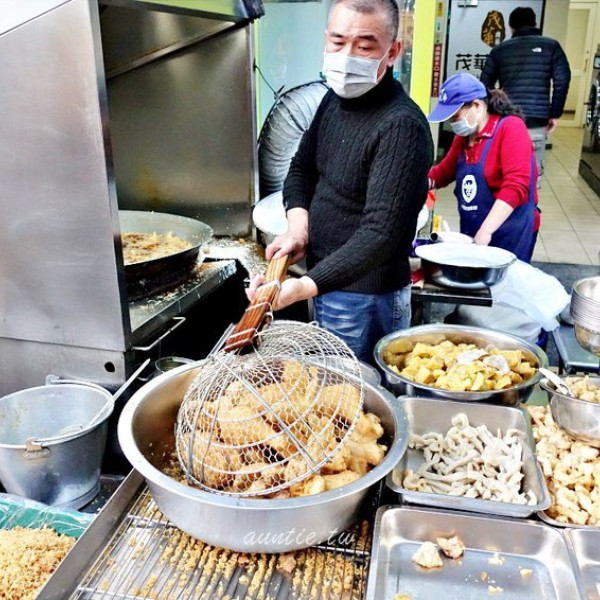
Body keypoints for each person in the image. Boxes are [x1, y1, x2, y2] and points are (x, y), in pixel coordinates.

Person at [248, 0, 433, 363]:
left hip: (367, 299)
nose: (347, 56)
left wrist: (302, 287)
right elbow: (301, 169)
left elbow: (380, 234)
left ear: (392, 51)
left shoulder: (402, 127)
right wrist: (298, 230)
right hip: (327, 282)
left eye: (364, 46)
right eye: (337, 42)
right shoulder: (333, 101)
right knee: (335, 383)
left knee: (358, 391)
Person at [428, 72, 539, 262]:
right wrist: (415, 184)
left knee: (505, 278)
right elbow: (442, 173)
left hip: (510, 230)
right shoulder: (463, 138)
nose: (453, 123)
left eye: (455, 116)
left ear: (477, 105)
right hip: (473, 229)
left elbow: (516, 186)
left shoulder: (511, 128)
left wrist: (487, 230)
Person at [480, 6, 571, 179]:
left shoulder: (500, 50)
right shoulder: (551, 46)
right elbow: (562, 80)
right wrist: (554, 113)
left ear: (511, 27)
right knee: (532, 174)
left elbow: (484, 86)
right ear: (535, 23)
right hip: (536, 119)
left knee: (505, 172)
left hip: (506, 119)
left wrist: (492, 112)